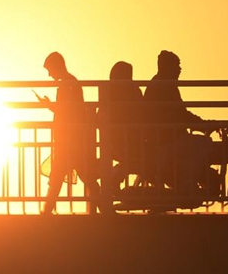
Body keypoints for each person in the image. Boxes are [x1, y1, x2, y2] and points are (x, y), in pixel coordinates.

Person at [37, 52, 101, 214]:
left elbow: (67, 110)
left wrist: (48, 105)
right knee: (85, 176)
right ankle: (106, 209)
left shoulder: (68, 84)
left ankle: (46, 212)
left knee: (61, 176)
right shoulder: (70, 82)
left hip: (69, 139)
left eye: (50, 69)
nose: (49, 74)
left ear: (57, 66)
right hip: (73, 137)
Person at [142, 50, 210, 195]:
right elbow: (180, 113)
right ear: (167, 67)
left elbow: (180, 113)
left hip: (165, 136)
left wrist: (199, 123)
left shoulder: (160, 84)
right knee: (204, 143)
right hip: (167, 137)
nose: (180, 69)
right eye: (176, 65)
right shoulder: (165, 86)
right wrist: (202, 124)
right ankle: (187, 183)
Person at [98, 61, 146, 165]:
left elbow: (99, 116)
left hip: (113, 143)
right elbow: (143, 114)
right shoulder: (135, 91)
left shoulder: (107, 91)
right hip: (133, 143)